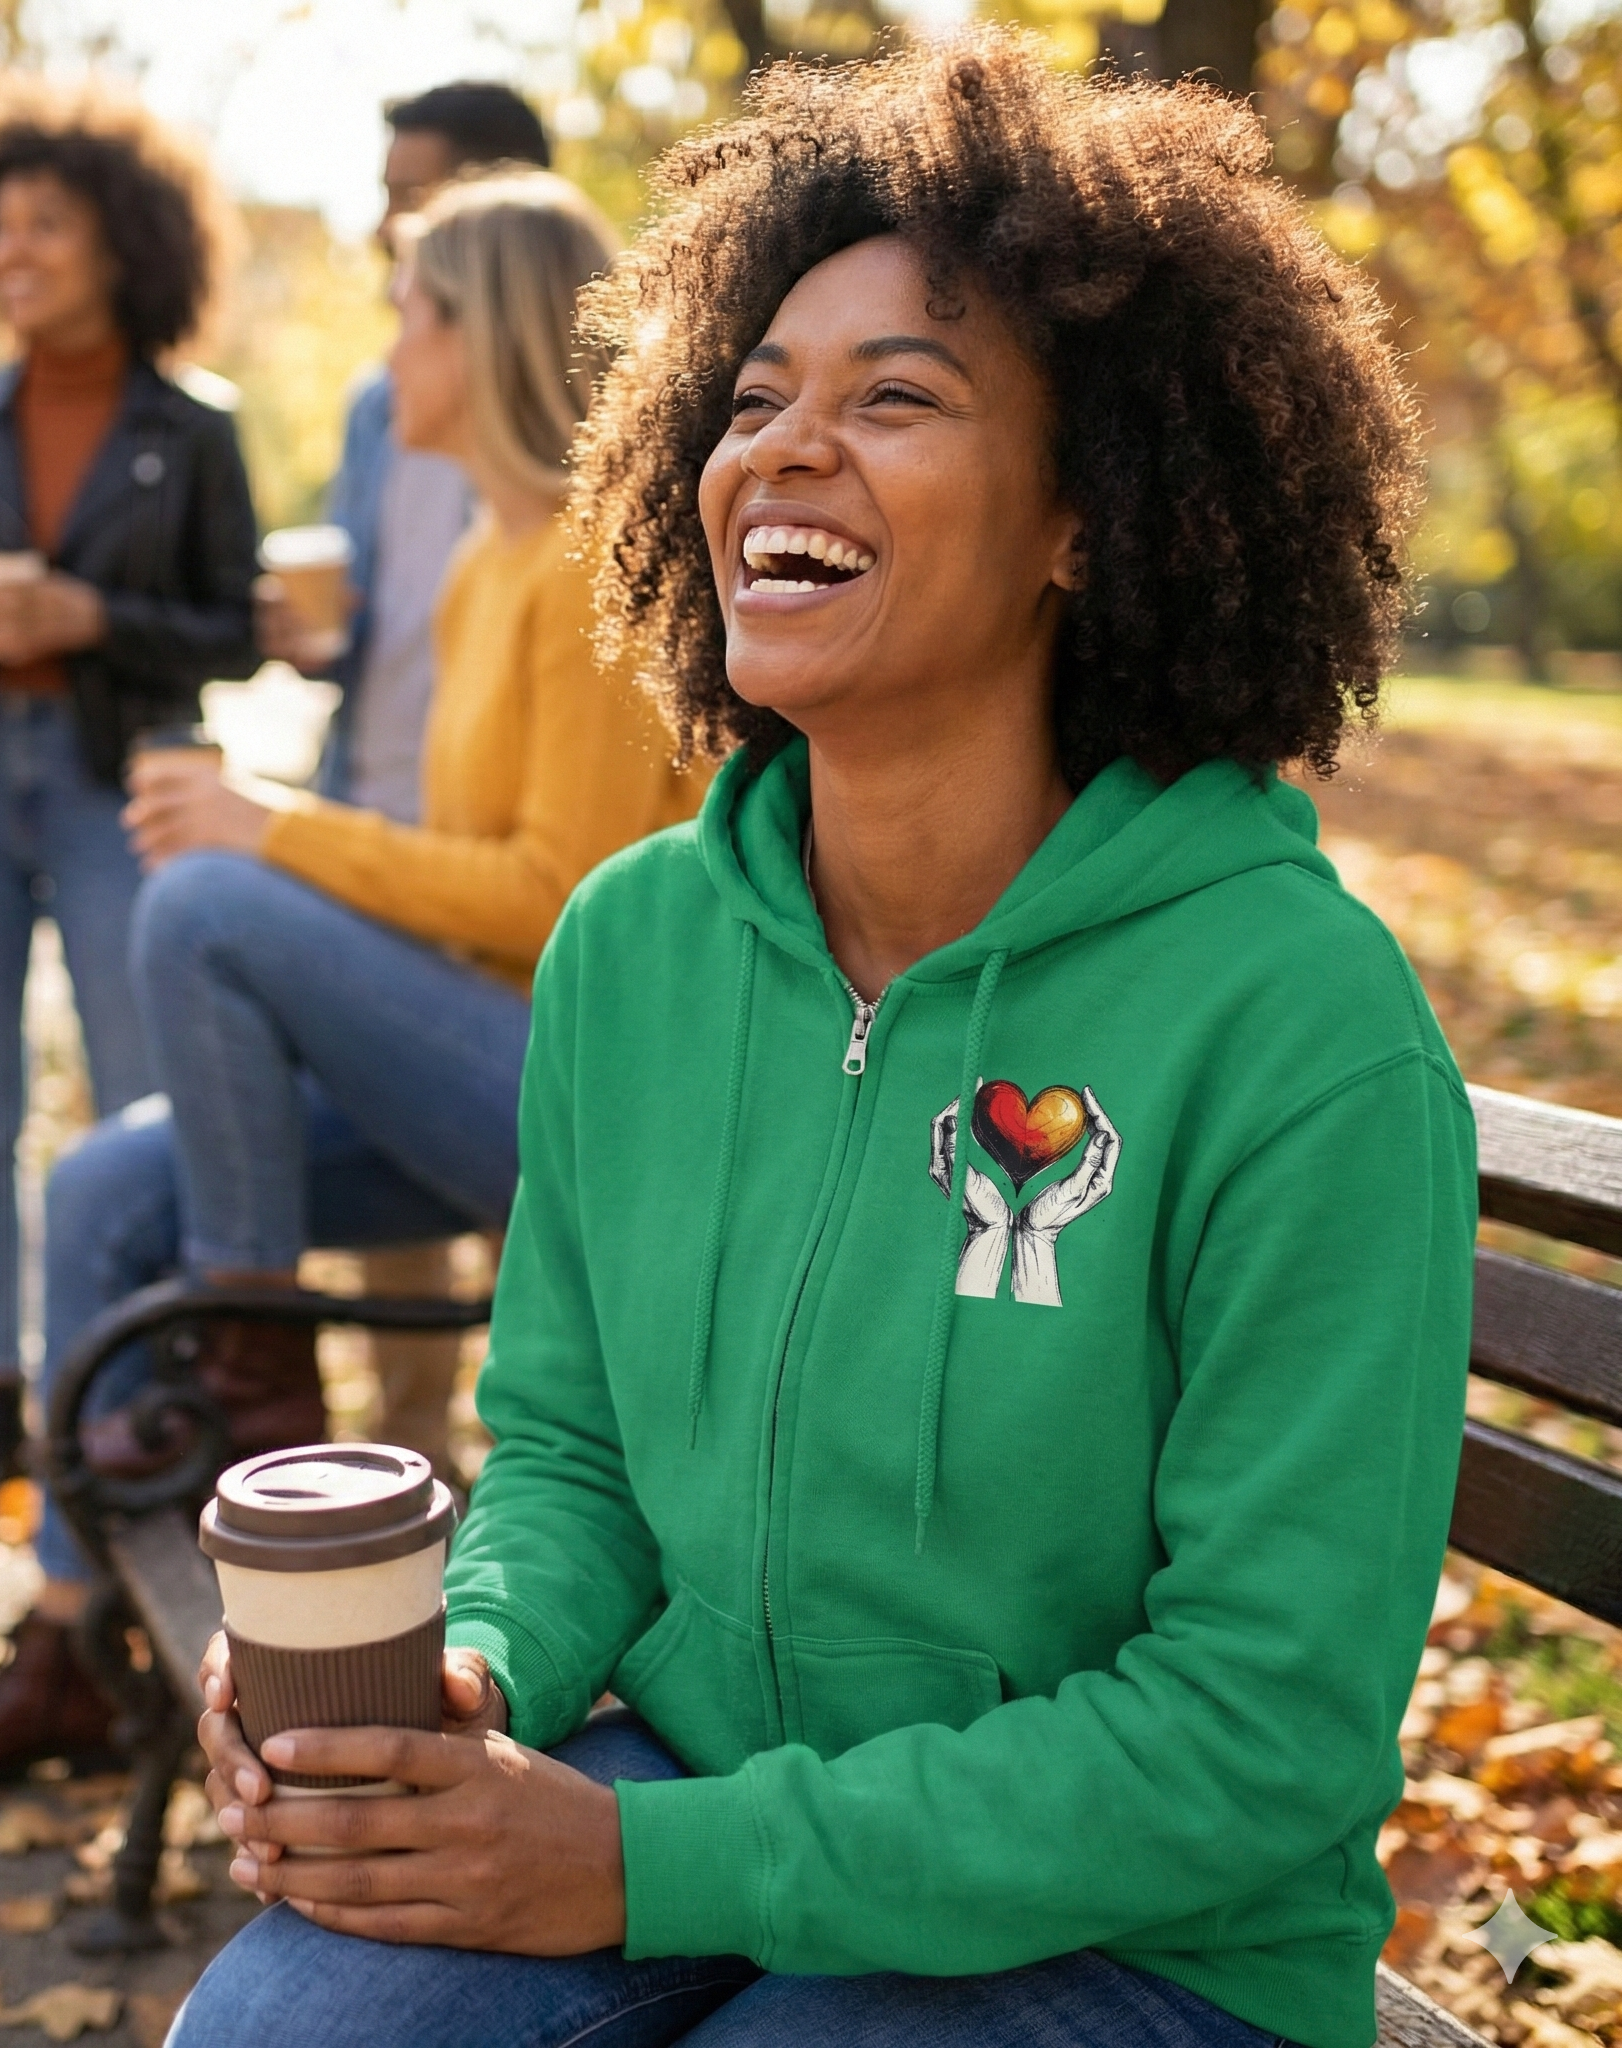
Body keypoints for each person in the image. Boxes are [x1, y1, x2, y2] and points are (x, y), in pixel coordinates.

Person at [175, 33, 1476, 2048]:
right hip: (700, 1790)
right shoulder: (638, 947)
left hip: (1147, 1936)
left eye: (898, 397)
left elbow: (1256, 1734)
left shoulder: (1294, 1021)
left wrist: (637, 1866)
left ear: (1085, 517)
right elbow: (571, 1449)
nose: (781, 449)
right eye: (753, 397)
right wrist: (482, 1672)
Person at [0, 168, 706, 1799]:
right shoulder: (483, 562)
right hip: (480, 1067)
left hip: (587, 1101)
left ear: (494, 334)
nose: (391, 349)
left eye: (413, 309)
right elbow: (459, 885)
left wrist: (278, 835)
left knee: (200, 904)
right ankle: (64, 1641)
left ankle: (255, 1403)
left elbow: (558, 905)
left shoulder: (591, 568)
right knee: (108, 1179)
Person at [0, 79, 259, 1530]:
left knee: (134, 1107)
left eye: (50, 224)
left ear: (125, 240)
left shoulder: (194, 427)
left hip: (121, 789)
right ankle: (0, 1407)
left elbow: (234, 628)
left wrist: (89, 609)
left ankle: (130, 1400)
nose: (15, 251)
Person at [270, 81, 551, 1463]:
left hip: (499, 862)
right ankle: (399, 1454)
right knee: (400, 1246)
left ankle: (536, 1456)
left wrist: (261, 839)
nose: (389, 219)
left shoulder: (569, 525)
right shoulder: (386, 411)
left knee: (521, 1222)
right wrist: (310, 635)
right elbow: (367, 593)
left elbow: (551, 889)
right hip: (381, 797)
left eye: (414, 193)